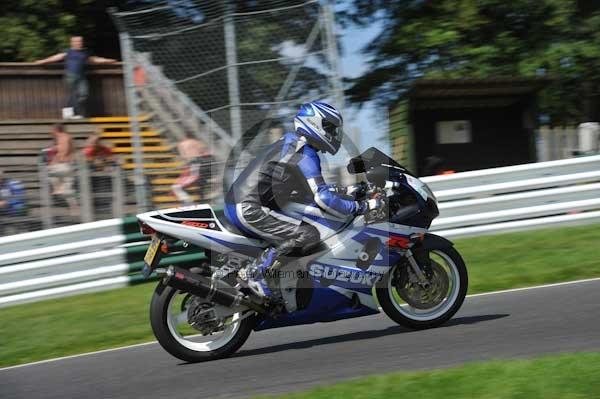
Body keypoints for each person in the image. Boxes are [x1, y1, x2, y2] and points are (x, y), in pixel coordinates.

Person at [224, 101, 385, 301]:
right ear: (314, 123)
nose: (334, 134)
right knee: (309, 234)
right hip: (250, 208)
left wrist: (352, 190)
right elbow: (322, 198)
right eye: (330, 127)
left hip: (245, 204)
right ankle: (259, 277)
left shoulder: (294, 144)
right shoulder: (303, 151)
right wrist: (361, 206)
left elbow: (313, 190)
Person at [35, 36, 117, 118]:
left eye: (80, 41)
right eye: (76, 41)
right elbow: (55, 57)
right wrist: (43, 61)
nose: (79, 43)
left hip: (81, 76)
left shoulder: (85, 52)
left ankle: (71, 112)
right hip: (70, 76)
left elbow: (95, 59)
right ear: (72, 43)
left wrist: (108, 61)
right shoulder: (68, 52)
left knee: (84, 95)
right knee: (73, 95)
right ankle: (73, 114)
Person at [172, 132, 212, 205]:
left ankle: (188, 201)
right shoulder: (197, 142)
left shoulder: (182, 144)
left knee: (178, 186)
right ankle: (201, 200)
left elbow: (184, 156)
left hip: (194, 163)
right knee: (200, 183)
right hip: (203, 163)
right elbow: (206, 152)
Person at [48, 124, 79, 215]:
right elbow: (71, 150)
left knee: (50, 172)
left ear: (56, 130)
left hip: (62, 165)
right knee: (67, 189)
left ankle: (57, 189)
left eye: (52, 131)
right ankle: (74, 208)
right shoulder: (67, 137)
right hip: (68, 165)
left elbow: (63, 151)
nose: (51, 133)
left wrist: (56, 159)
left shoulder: (63, 137)